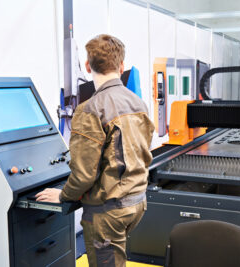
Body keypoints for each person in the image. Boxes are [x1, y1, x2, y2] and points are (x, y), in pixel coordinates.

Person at [36, 34, 154, 267]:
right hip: (137, 202)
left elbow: (83, 174)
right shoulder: (138, 103)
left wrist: (63, 195)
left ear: (88, 66)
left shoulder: (90, 109)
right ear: (121, 66)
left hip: (108, 212)